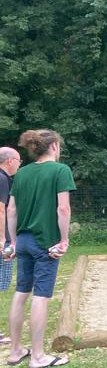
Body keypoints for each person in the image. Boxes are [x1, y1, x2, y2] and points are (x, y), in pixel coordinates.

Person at [4, 130, 75, 368]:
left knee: (21, 292)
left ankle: (16, 350)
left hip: (23, 241)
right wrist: (64, 240)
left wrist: (14, 242)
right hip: (46, 243)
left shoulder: (22, 173)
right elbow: (63, 209)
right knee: (41, 296)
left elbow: (11, 210)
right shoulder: (60, 170)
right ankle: (37, 356)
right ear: (54, 146)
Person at [0, 147, 23, 344]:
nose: (19, 165)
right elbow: (1, 210)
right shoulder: (2, 179)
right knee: (2, 281)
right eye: (19, 161)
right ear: (10, 161)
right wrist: (2, 239)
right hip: (2, 239)